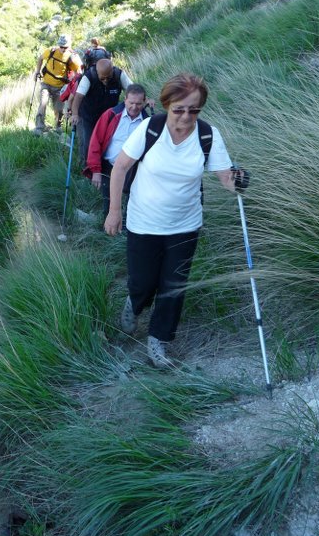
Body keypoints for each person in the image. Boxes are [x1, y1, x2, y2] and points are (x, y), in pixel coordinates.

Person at [104, 73, 244, 369]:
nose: (186, 116)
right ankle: (135, 302)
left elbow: (225, 178)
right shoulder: (150, 128)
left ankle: (158, 343)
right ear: (167, 105)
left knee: (173, 286)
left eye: (194, 109)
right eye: (179, 109)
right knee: (143, 283)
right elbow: (120, 168)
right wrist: (114, 211)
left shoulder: (207, 135)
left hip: (185, 225)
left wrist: (239, 179)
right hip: (143, 223)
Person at [84, 84, 150, 215]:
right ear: (125, 99)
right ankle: (107, 232)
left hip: (135, 171)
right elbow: (95, 142)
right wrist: (95, 170)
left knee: (131, 205)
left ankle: (126, 231)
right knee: (108, 204)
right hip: (109, 168)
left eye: (138, 103)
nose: (134, 107)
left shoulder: (148, 122)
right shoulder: (111, 115)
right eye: (131, 103)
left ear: (144, 101)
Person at [70, 58, 132, 162]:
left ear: (112, 71)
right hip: (88, 115)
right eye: (102, 78)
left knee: (107, 141)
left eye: (108, 77)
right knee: (88, 143)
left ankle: (102, 166)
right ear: (97, 72)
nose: (106, 81)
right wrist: (75, 114)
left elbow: (132, 90)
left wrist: (145, 99)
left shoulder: (119, 75)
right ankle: (87, 168)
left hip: (108, 116)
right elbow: (78, 97)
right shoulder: (89, 77)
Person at [33, 34, 82, 135]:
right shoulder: (51, 51)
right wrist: (37, 71)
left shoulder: (71, 57)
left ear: (69, 46)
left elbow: (79, 71)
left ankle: (58, 127)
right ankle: (39, 127)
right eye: (61, 47)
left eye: (66, 47)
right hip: (46, 83)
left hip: (60, 87)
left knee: (59, 109)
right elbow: (40, 58)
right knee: (43, 103)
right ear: (58, 45)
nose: (63, 49)